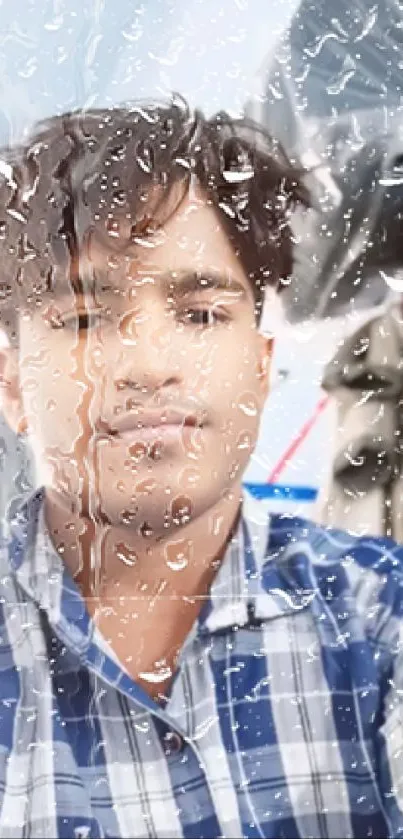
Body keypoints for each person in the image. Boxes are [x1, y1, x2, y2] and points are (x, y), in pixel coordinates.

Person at [0, 97, 401, 839]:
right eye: (85, 319)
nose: (149, 366)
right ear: (15, 384)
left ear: (259, 363)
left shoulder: (380, 613)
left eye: (199, 313)